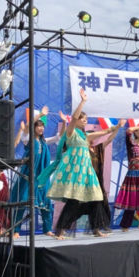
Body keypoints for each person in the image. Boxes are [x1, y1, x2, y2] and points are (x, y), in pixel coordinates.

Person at [38, 88, 108, 238]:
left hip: (87, 173)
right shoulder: (71, 132)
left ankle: (96, 229)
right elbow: (74, 118)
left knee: (96, 198)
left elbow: (102, 133)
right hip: (76, 173)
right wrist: (82, 102)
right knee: (74, 201)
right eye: (82, 118)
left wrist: (117, 127)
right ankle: (61, 230)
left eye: (86, 119)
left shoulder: (85, 136)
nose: (85, 120)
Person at [11, 107, 63, 238]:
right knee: (23, 200)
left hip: (42, 176)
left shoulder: (44, 141)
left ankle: (47, 229)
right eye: (38, 126)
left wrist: (64, 122)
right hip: (29, 175)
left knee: (46, 201)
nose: (41, 128)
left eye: (42, 126)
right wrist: (40, 115)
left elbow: (59, 137)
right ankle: (16, 230)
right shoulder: (27, 138)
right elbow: (28, 127)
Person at [88, 119, 126, 230]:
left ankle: (102, 226)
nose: (92, 138)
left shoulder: (98, 148)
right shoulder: (81, 150)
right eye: (90, 136)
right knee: (80, 205)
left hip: (97, 180)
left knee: (101, 203)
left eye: (94, 136)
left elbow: (110, 139)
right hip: (86, 181)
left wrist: (118, 127)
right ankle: (64, 228)